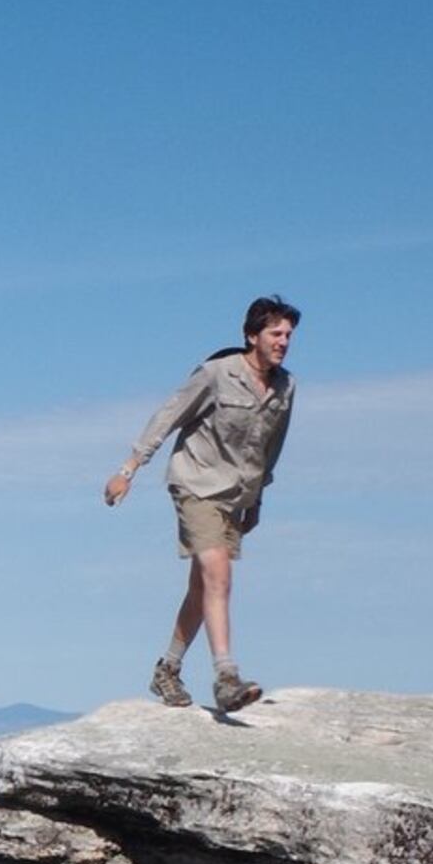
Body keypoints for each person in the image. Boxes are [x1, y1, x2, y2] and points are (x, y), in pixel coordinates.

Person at [102, 296, 297, 713]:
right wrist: (128, 469)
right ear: (252, 336)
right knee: (218, 575)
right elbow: (167, 416)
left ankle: (167, 669)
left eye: (288, 335)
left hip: (235, 495)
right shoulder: (216, 375)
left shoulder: (286, 386)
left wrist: (258, 498)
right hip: (195, 484)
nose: (283, 341)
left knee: (201, 587)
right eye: (275, 333)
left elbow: (271, 446)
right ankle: (226, 676)